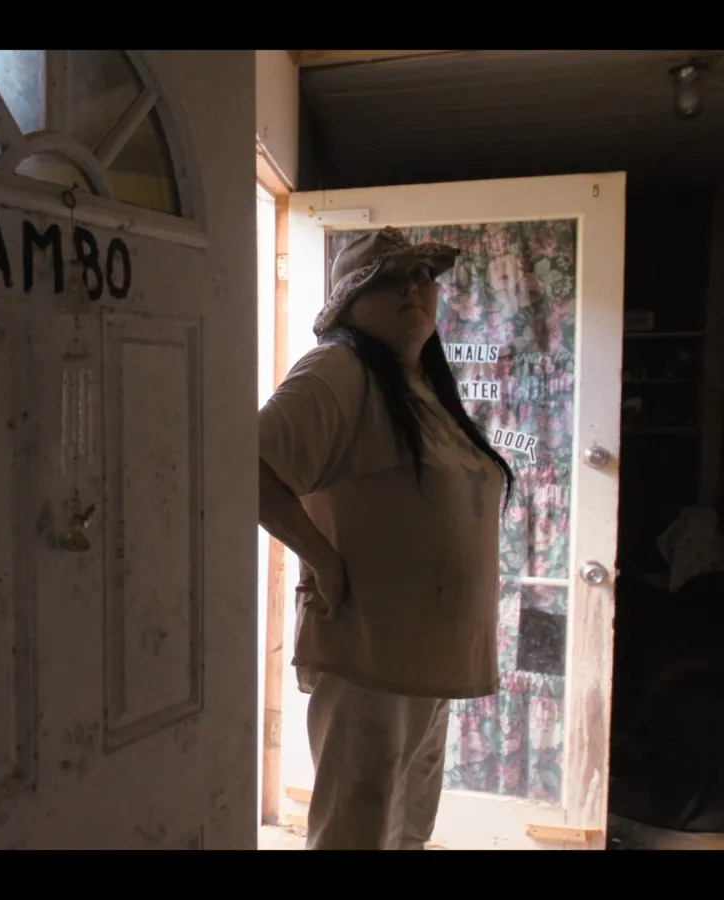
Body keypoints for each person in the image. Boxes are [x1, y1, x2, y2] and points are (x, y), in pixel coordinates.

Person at [257, 227, 515, 850]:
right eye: (390, 278)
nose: (414, 288)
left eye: (423, 276)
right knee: (358, 831)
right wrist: (319, 557)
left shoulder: (421, 389)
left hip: (425, 658)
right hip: (372, 651)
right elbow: (245, 463)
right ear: (350, 301)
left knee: (404, 832)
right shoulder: (338, 367)